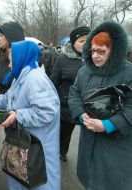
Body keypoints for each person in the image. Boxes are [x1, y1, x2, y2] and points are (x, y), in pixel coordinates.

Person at [0, 41, 61, 190]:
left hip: (37, 147)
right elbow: (8, 98)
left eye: (11, 60)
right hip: (24, 142)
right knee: (22, 178)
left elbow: (46, 112)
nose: (9, 65)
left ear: (22, 57)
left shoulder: (35, 80)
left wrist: (18, 115)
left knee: (38, 182)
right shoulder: (20, 76)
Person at [68, 21, 132, 190]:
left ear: (114, 50)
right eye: (93, 50)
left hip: (115, 148)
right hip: (88, 141)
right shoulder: (84, 71)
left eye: (101, 51)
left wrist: (108, 125)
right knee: (89, 182)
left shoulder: (128, 72)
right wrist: (81, 114)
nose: (95, 55)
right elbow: (74, 94)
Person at [50, 26, 91, 161]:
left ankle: (89, 158)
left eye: (87, 39)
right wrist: (54, 102)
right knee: (65, 132)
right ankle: (61, 151)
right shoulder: (63, 59)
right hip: (67, 105)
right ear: (73, 43)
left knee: (90, 133)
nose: (85, 43)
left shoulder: (95, 57)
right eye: (81, 41)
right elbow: (53, 82)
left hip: (90, 105)